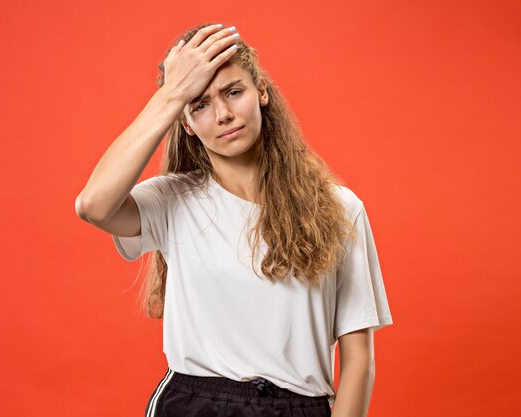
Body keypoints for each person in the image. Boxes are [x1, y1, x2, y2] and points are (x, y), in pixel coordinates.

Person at [76, 22, 393, 417]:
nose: (223, 115)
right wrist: (172, 93)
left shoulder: (340, 207)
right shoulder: (172, 200)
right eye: (200, 104)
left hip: (302, 406)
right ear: (186, 123)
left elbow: (358, 358)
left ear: (261, 91)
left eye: (233, 92)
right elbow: (94, 205)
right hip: (195, 404)